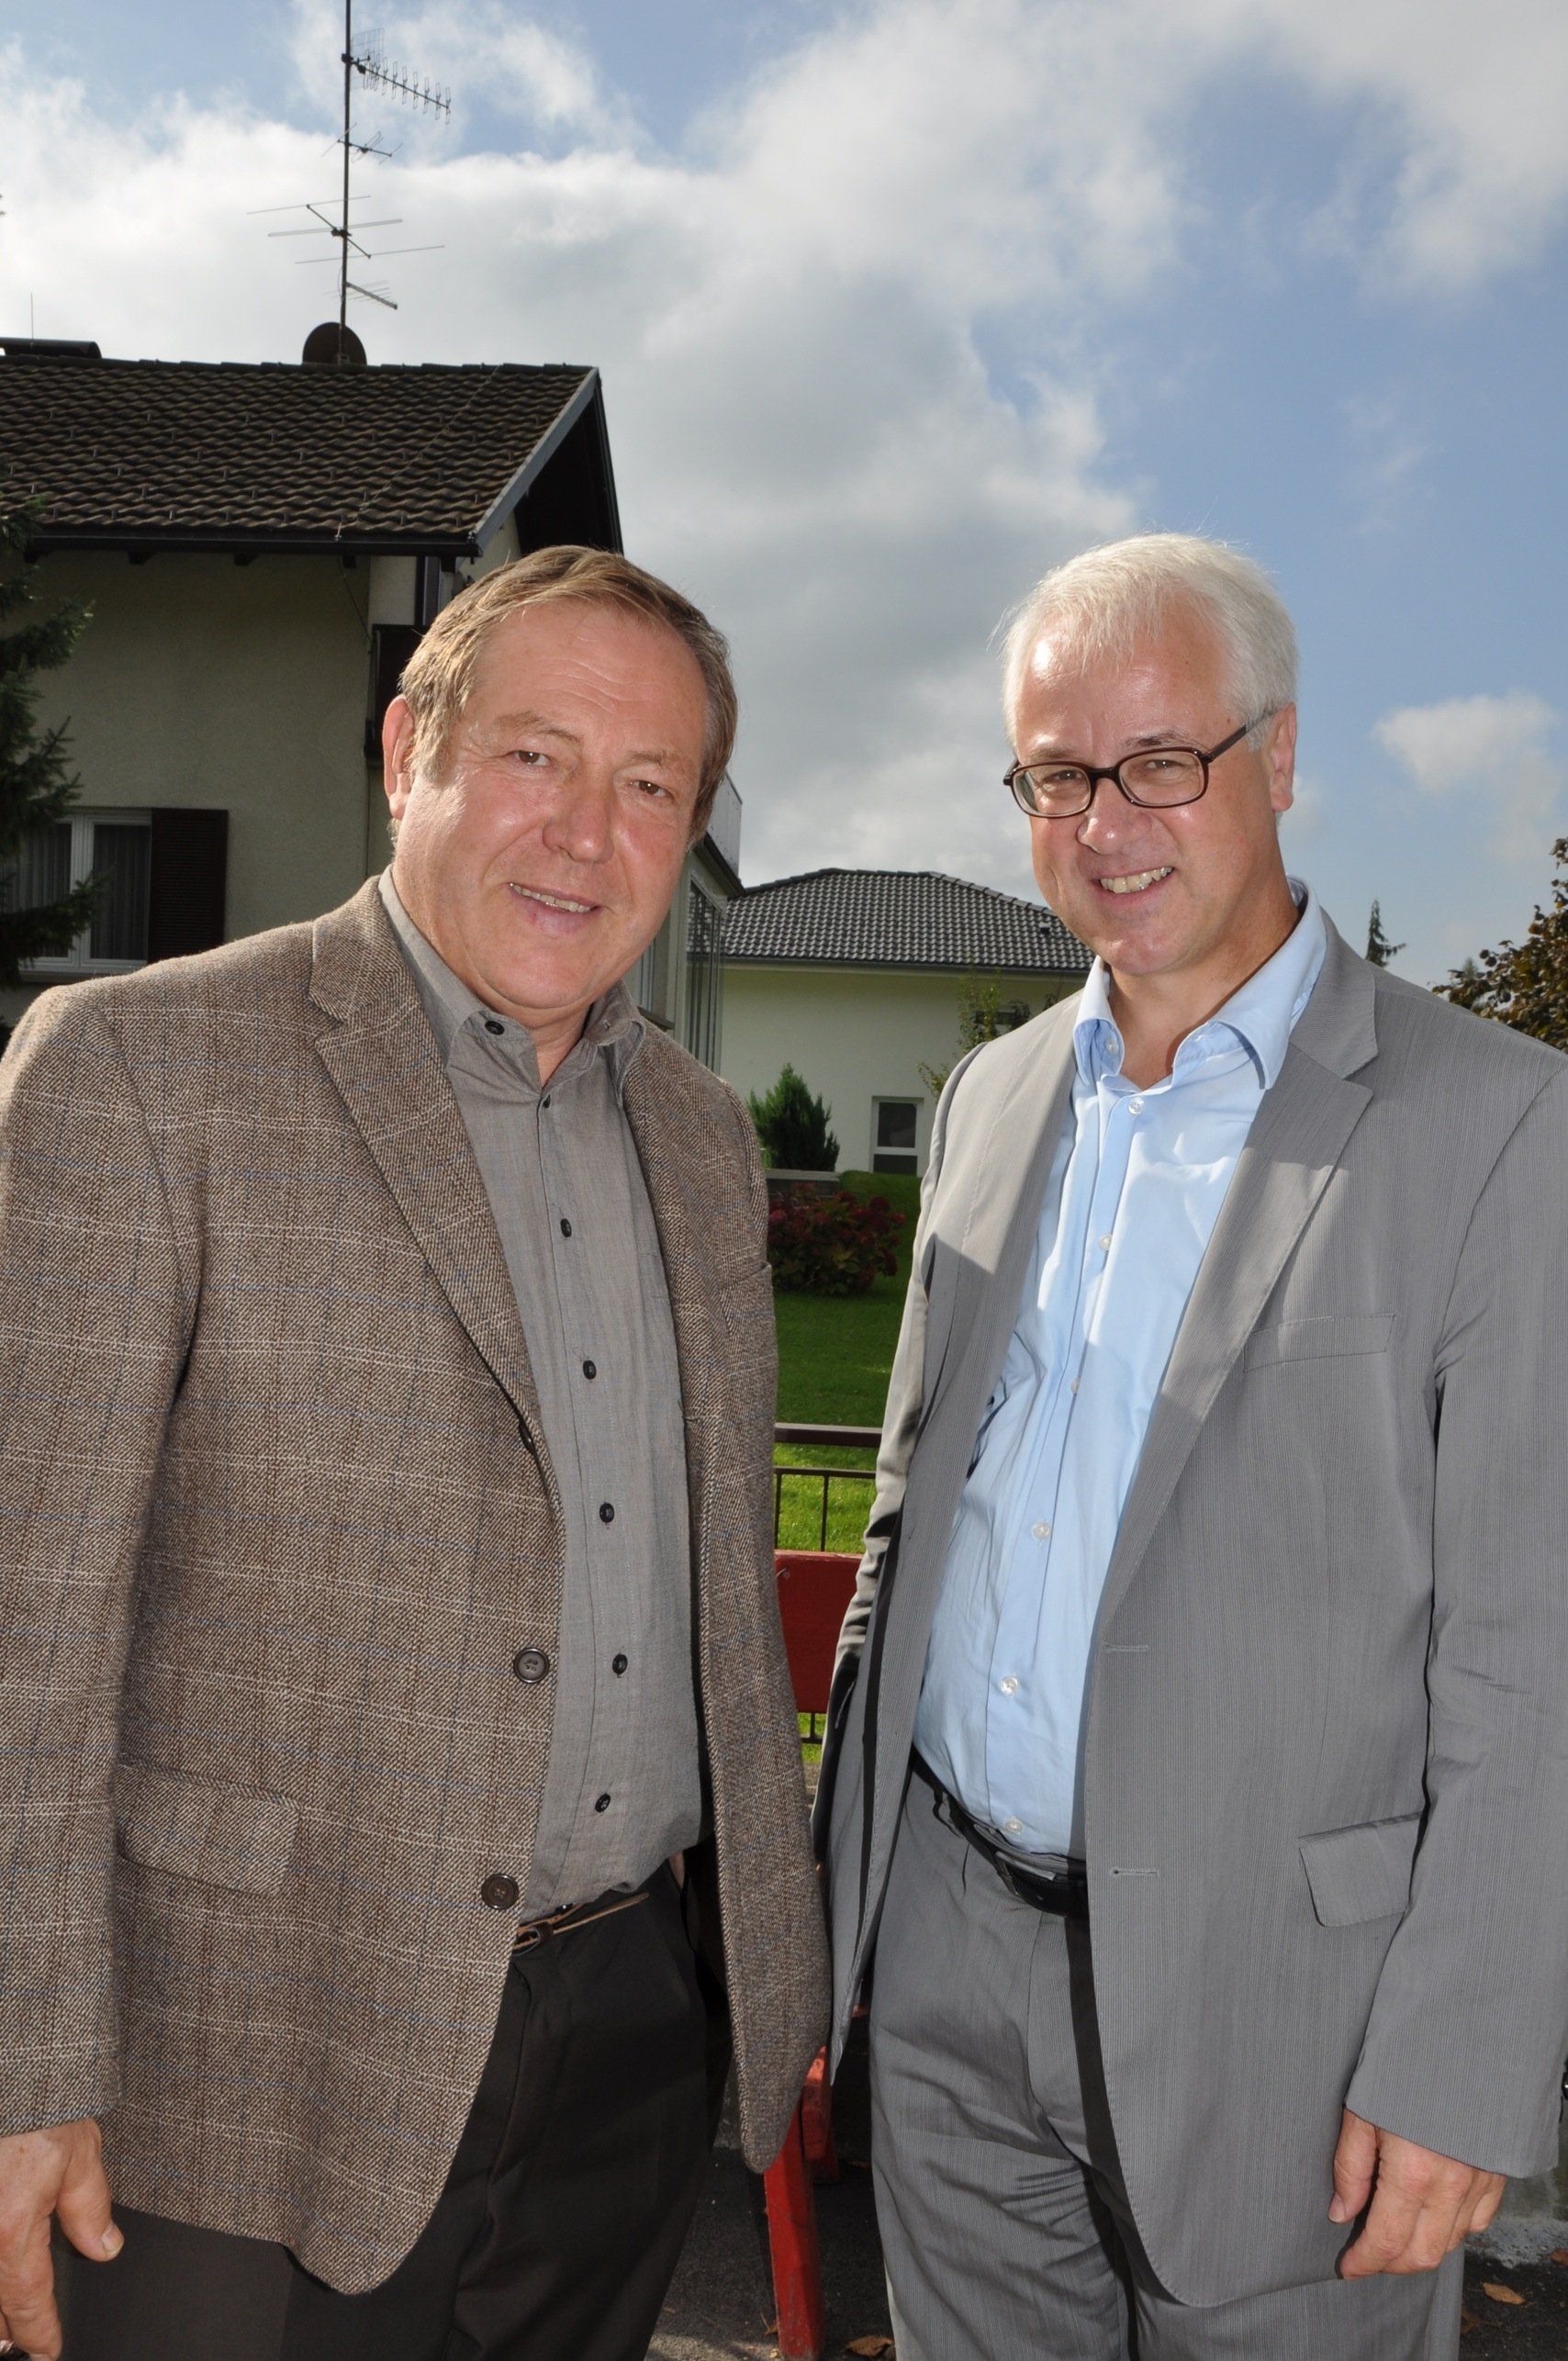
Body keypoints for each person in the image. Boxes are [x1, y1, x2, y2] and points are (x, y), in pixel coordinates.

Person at [0, 544, 826, 2361]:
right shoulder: (141, 1069)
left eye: (650, 786)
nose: (586, 834)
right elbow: (24, 1626)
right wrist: (21, 2066)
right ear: (406, 755)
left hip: (627, 2035)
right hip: (241, 2059)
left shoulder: (699, 1137)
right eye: (535, 756)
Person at [817, 532, 1568, 2359]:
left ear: (1279, 755)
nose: (1106, 824)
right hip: (949, 1972)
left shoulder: (1496, 1127)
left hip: (1289, 2022)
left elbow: (1528, 1646)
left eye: (1160, 761)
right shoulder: (991, 1097)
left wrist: (1462, 2060)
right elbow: (910, 1514)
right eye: (1055, 776)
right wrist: (849, 1914)